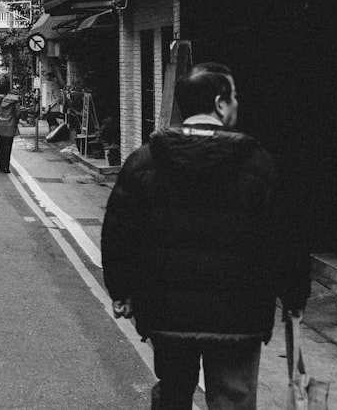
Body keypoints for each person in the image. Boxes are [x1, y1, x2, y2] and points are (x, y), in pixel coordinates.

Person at [100, 62, 309, 410]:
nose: (237, 104)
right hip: (239, 315)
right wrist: (294, 296)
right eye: (234, 97)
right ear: (219, 103)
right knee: (234, 398)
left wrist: (121, 291)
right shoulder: (259, 164)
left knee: (174, 392)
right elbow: (285, 238)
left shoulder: (144, 161)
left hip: (167, 312)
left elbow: (119, 231)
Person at [0, 77, 22, 173]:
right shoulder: (14, 100)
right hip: (10, 125)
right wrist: (16, 120)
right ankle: (6, 166)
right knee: (8, 146)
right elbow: (18, 113)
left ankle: (2, 165)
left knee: (1, 145)